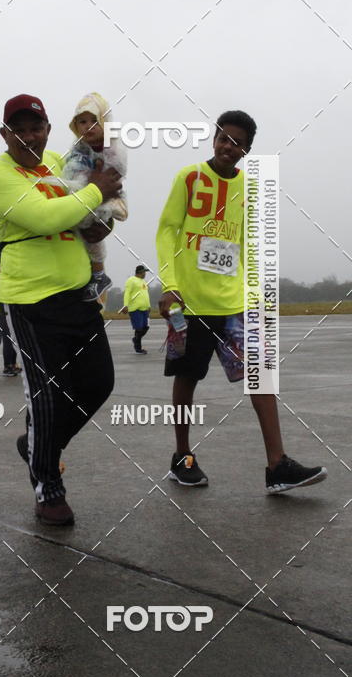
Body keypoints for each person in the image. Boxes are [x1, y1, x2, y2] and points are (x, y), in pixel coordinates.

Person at [156, 110, 327, 493]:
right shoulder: (189, 177)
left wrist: (254, 295)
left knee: (261, 377)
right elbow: (167, 231)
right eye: (223, 139)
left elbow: (248, 246)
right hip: (191, 303)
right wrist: (170, 284)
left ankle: (277, 466)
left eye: (237, 143)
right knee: (187, 379)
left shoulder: (249, 189)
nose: (228, 148)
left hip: (234, 304)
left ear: (247, 149)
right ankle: (182, 458)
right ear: (213, 138)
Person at [0, 93, 122, 525]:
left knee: (99, 383)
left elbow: (83, 205)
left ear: (47, 130)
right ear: (6, 134)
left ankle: (40, 445)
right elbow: (44, 217)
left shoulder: (57, 162)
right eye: (18, 130)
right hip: (30, 301)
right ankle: (48, 487)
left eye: (36, 128)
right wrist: (99, 189)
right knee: (45, 397)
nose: (28, 137)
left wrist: (103, 215)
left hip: (78, 295)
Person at [60, 92, 128, 300]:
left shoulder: (113, 148)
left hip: (104, 200)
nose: (88, 126)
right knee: (84, 230)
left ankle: (98, 274)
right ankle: (95, 274)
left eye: (94, 121)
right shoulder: (76, 150)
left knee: (92, 232)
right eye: (82, 121)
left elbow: (114, 176)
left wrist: (94, 188)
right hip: (83, 200)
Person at [120, 265, 151, 354]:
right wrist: (125, 305)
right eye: (144, 272)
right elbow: (127, 293)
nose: (145, 273)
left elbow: (146, 294)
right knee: (139, 329)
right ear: (140, 272)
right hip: (135, 309)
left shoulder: (143, 281)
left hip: (145, 309)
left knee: (146, 327)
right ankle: (138, 348)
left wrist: (149, 306)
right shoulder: (131, 280)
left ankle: (135, 339)